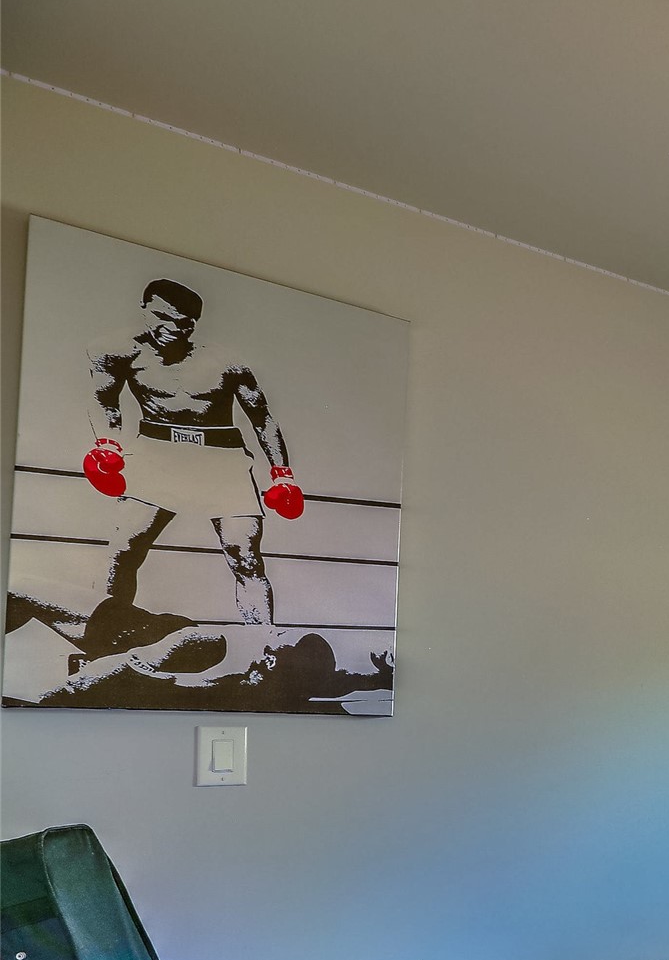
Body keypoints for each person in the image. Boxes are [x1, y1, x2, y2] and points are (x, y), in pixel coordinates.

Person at [82, 278, 307, 626]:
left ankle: (263, 642)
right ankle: (102, 634)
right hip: (158, 453)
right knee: (124, 549)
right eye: (160, 317)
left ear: (193, 325)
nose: (170, 329)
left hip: (221, 460)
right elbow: (105, 401)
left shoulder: (226, 363)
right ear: (144, 309)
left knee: (245, 556)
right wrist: (106, 444)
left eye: (182, 323)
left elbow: (262, 419)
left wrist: (283, 475)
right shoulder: (113, 351)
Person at [4, 577, 389, 713]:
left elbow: (344, 681)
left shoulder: (292, 685)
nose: (271, 646)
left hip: (136, 656)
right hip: (118, 629)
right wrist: (43, 705)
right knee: (16, 593)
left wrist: (382, 677)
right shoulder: (210, 645)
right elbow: (120, 667)